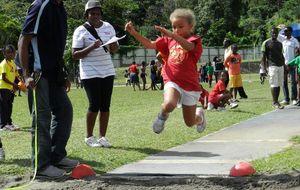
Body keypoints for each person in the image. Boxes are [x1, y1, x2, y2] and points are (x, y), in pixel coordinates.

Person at [18, 0, 79, 179]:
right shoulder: (41, 5)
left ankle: (56, 156)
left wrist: (64, 75)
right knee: (42, 119)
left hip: (54, 74)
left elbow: (56, 48)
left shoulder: (60, 9)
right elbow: (24, 39)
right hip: (38, 74)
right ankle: (41, 166)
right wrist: (26, 74)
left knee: (64, 110)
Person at [125, 8, 206, 133]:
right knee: (169, 104)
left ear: (190, 26)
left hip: (190, 85)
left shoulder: (194, 40)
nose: (176, 30)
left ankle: (199, 116)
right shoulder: (168, 40)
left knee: (190, 122)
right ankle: (162, 116)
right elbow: (150, 45)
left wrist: (172, 35)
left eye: (180, 26)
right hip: (172, 79)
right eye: (173, 27)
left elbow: (188, 47)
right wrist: (134, 33)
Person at [72, 0, 119, 148]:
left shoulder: (108, 27)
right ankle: (89, 137)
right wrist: (92, 47)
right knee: (94, 105)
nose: (95, 16)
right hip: (90, 72)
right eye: (92, 13)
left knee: (105, 105)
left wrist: (113, 46)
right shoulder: (80, 30)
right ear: (86, 15)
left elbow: (115, 48)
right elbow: (75, 55)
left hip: (107, 70)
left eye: (98, 13)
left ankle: (102, 137)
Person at [261, 26, 285, 109]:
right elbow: (263, 57)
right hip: (272, 66)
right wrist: (263, 69)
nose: (274, 34)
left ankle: (276, 101)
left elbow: (282, 56)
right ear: (270, 33)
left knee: (278, 84)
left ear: (278, 33)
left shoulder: (280, 43)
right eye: (273, 32)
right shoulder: (266, 43)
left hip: (280, 65)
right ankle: (275, 102)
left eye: (276, 32)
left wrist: (284, 67)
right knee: (274, 84)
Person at [277, 26, 300, 105]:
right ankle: (286, 99)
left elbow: (297, 53)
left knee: (293, 82)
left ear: (290, 32)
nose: (285, 33)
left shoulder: (295, 41)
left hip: (292, 65)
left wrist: (294, 63)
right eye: (284, 31)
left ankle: (294, 98)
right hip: (284, 64)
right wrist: (281, 28)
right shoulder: (283, 39)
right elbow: (276, 35)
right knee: (284, 82)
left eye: (286, 31)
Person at [0, 45, 20, 131]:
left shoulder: (13, 63)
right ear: (4, 54)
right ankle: (3, 125)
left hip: (10, 88)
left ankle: (9, 123)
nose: (11, 54)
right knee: (4, 106)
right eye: (8, 52)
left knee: (9, 105)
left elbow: (16, 76)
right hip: (3, 87)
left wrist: (18, 85)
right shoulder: (3, 63)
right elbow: (4, 78)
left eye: (12, 52)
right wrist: (14, 85)